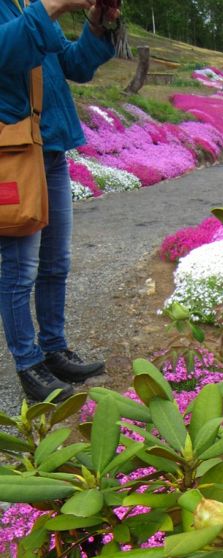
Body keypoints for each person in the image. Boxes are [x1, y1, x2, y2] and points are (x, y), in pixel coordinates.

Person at [0, 0, 117, 402]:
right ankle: (28, 364)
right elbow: (6, 51)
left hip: (50, 148)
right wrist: (51, 6)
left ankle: (53, 350)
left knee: (55, 263)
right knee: (20, 268)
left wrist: (97, 24)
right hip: (14, 154)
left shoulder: (23, 4)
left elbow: (73, 64)